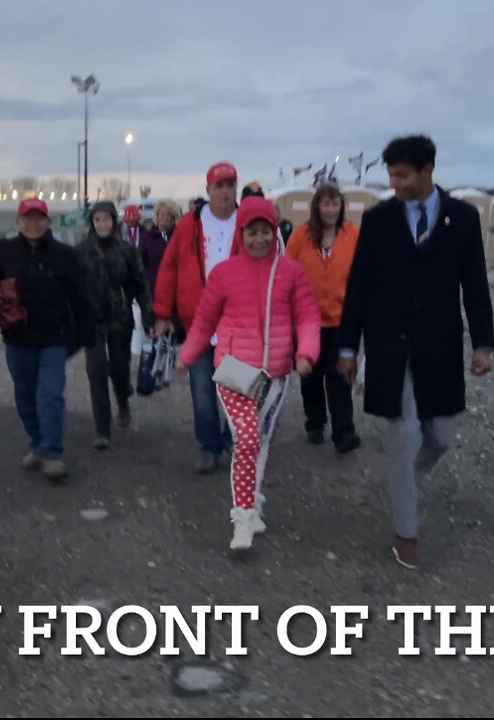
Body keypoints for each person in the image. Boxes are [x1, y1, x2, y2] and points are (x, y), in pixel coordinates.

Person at [336, 135, 494, 570]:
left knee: (441, 436)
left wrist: (483, 343)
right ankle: (406, 531)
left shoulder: (463, 219)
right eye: (390, 174)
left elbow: (476, 286)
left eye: (402, 174)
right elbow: (359, 288)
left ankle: (402, 479)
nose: (395, 183)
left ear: (428, 170)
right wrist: (348, 347)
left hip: (440, 344)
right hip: (389, 344)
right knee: (404, 434)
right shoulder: (379, 220)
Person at [177, 196, 321, 551]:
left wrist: (306, 352)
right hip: (236, 371)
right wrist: (189, 355)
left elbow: (307, 316)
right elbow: (204, 320)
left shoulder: (291, 272)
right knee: (247, 439)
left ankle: (254, 502)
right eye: (252, 232)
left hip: (276, 374)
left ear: (275, 232)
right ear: (242, 234)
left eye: (265, 232)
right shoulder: (224, 274)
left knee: (262, 442)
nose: (259, 239)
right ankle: (241, 518)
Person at [0, 198, 97, 481]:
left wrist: (87, 333)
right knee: (25, 396)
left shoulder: (65, 255)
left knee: (51, 395)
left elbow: (81, 296)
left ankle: (53, 454)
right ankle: (37, 443)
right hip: (17, 338)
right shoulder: (5, 251)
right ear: (18, 222)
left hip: (54, 339)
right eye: (27, 219)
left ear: (48, 221)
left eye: (39, 218)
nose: (33, 224)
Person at [154, 162, 242, 473]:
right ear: (208, 190)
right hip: (199, 326)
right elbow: (169, 269)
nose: (226, 191)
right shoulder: (190, 225)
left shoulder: (249, 224)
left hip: (238, 329)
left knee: (239, 393)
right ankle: (209, 447)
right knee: (203, 394)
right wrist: (163, 314)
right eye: (219, 185)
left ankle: (233, 442)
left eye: (231, 184)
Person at [285, 182, 362, 453]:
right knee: (311, 376)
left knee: (340, 376)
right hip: (308, 320)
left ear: (341, 207)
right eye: (326, 204)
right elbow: (287, 272)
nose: (331, 209)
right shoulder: (301, 236)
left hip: (343, 319)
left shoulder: (352, 234)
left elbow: (365, 271)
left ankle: (344, 432)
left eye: (335, 204)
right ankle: (315, 423)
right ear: (317, 207)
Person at [78, 201, 155, 449]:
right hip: (92, 321)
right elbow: (72, 287)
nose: (102, 224)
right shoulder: (82, 251)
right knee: (97, 371)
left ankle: (122, 398)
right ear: (92, 222)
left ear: (114, 221)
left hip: (121, 319)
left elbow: (141, 287)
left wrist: (148, 316)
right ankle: (102, 430)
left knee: (119, 370)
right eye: (97, 220)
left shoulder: (127, 251)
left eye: (106, 219)